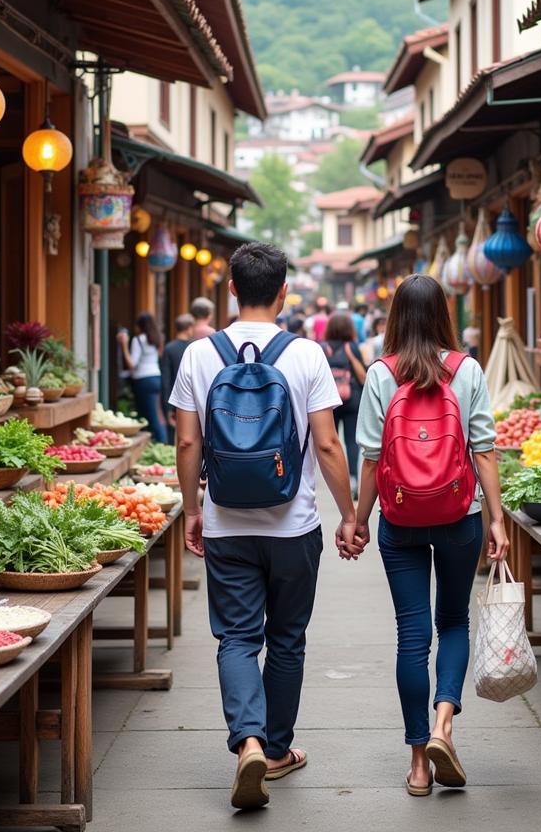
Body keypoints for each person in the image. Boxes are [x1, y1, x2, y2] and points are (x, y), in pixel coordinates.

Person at [170, 242, 361, 811]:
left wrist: (193, 508)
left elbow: (186, 440)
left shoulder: (200, 356)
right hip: (294, 525)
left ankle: (247, 742)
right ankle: (276, 750)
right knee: (286, 639)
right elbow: (327, 443)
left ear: (230, 289)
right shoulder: (305, 356)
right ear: (284, 292)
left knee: (235, 637)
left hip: (228, 523)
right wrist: (350, 514)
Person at [354, 274, 508, 797]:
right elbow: (484, 449)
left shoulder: (380, 373)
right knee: (454, 622)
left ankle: (419, 761)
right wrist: (497, 519)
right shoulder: (466, 370)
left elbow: (372, 458)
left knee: (411, 637)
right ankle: (445, 724)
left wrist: (358, 519)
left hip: (400, 519)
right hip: (458, 515)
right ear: (444, 313)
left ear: (395, 315)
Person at [322, 312, 367, 496]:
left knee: (328, 442)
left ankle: (334, 482)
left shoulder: (322, 348)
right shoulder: (352, 347)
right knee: (351, 442)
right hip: (352, 400)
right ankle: (354, 479)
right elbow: (363, 377)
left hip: (329, 400)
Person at [117, 312, 167, 443]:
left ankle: (163, 443)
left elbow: (132, 364)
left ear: (139, 326)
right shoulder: (156, 339)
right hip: (156, 377)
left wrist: (123, 345)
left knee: (150, 416)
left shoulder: (138, 340)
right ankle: (153, 442)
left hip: (143, 380)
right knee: (154, 413)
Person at [160, 313, 194, 445]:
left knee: (172, 433)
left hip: (173, 397)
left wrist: (167, 407)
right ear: (189, 328)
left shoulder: (169, 348)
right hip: (191, 395)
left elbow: (166, 378)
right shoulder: (194, 347)